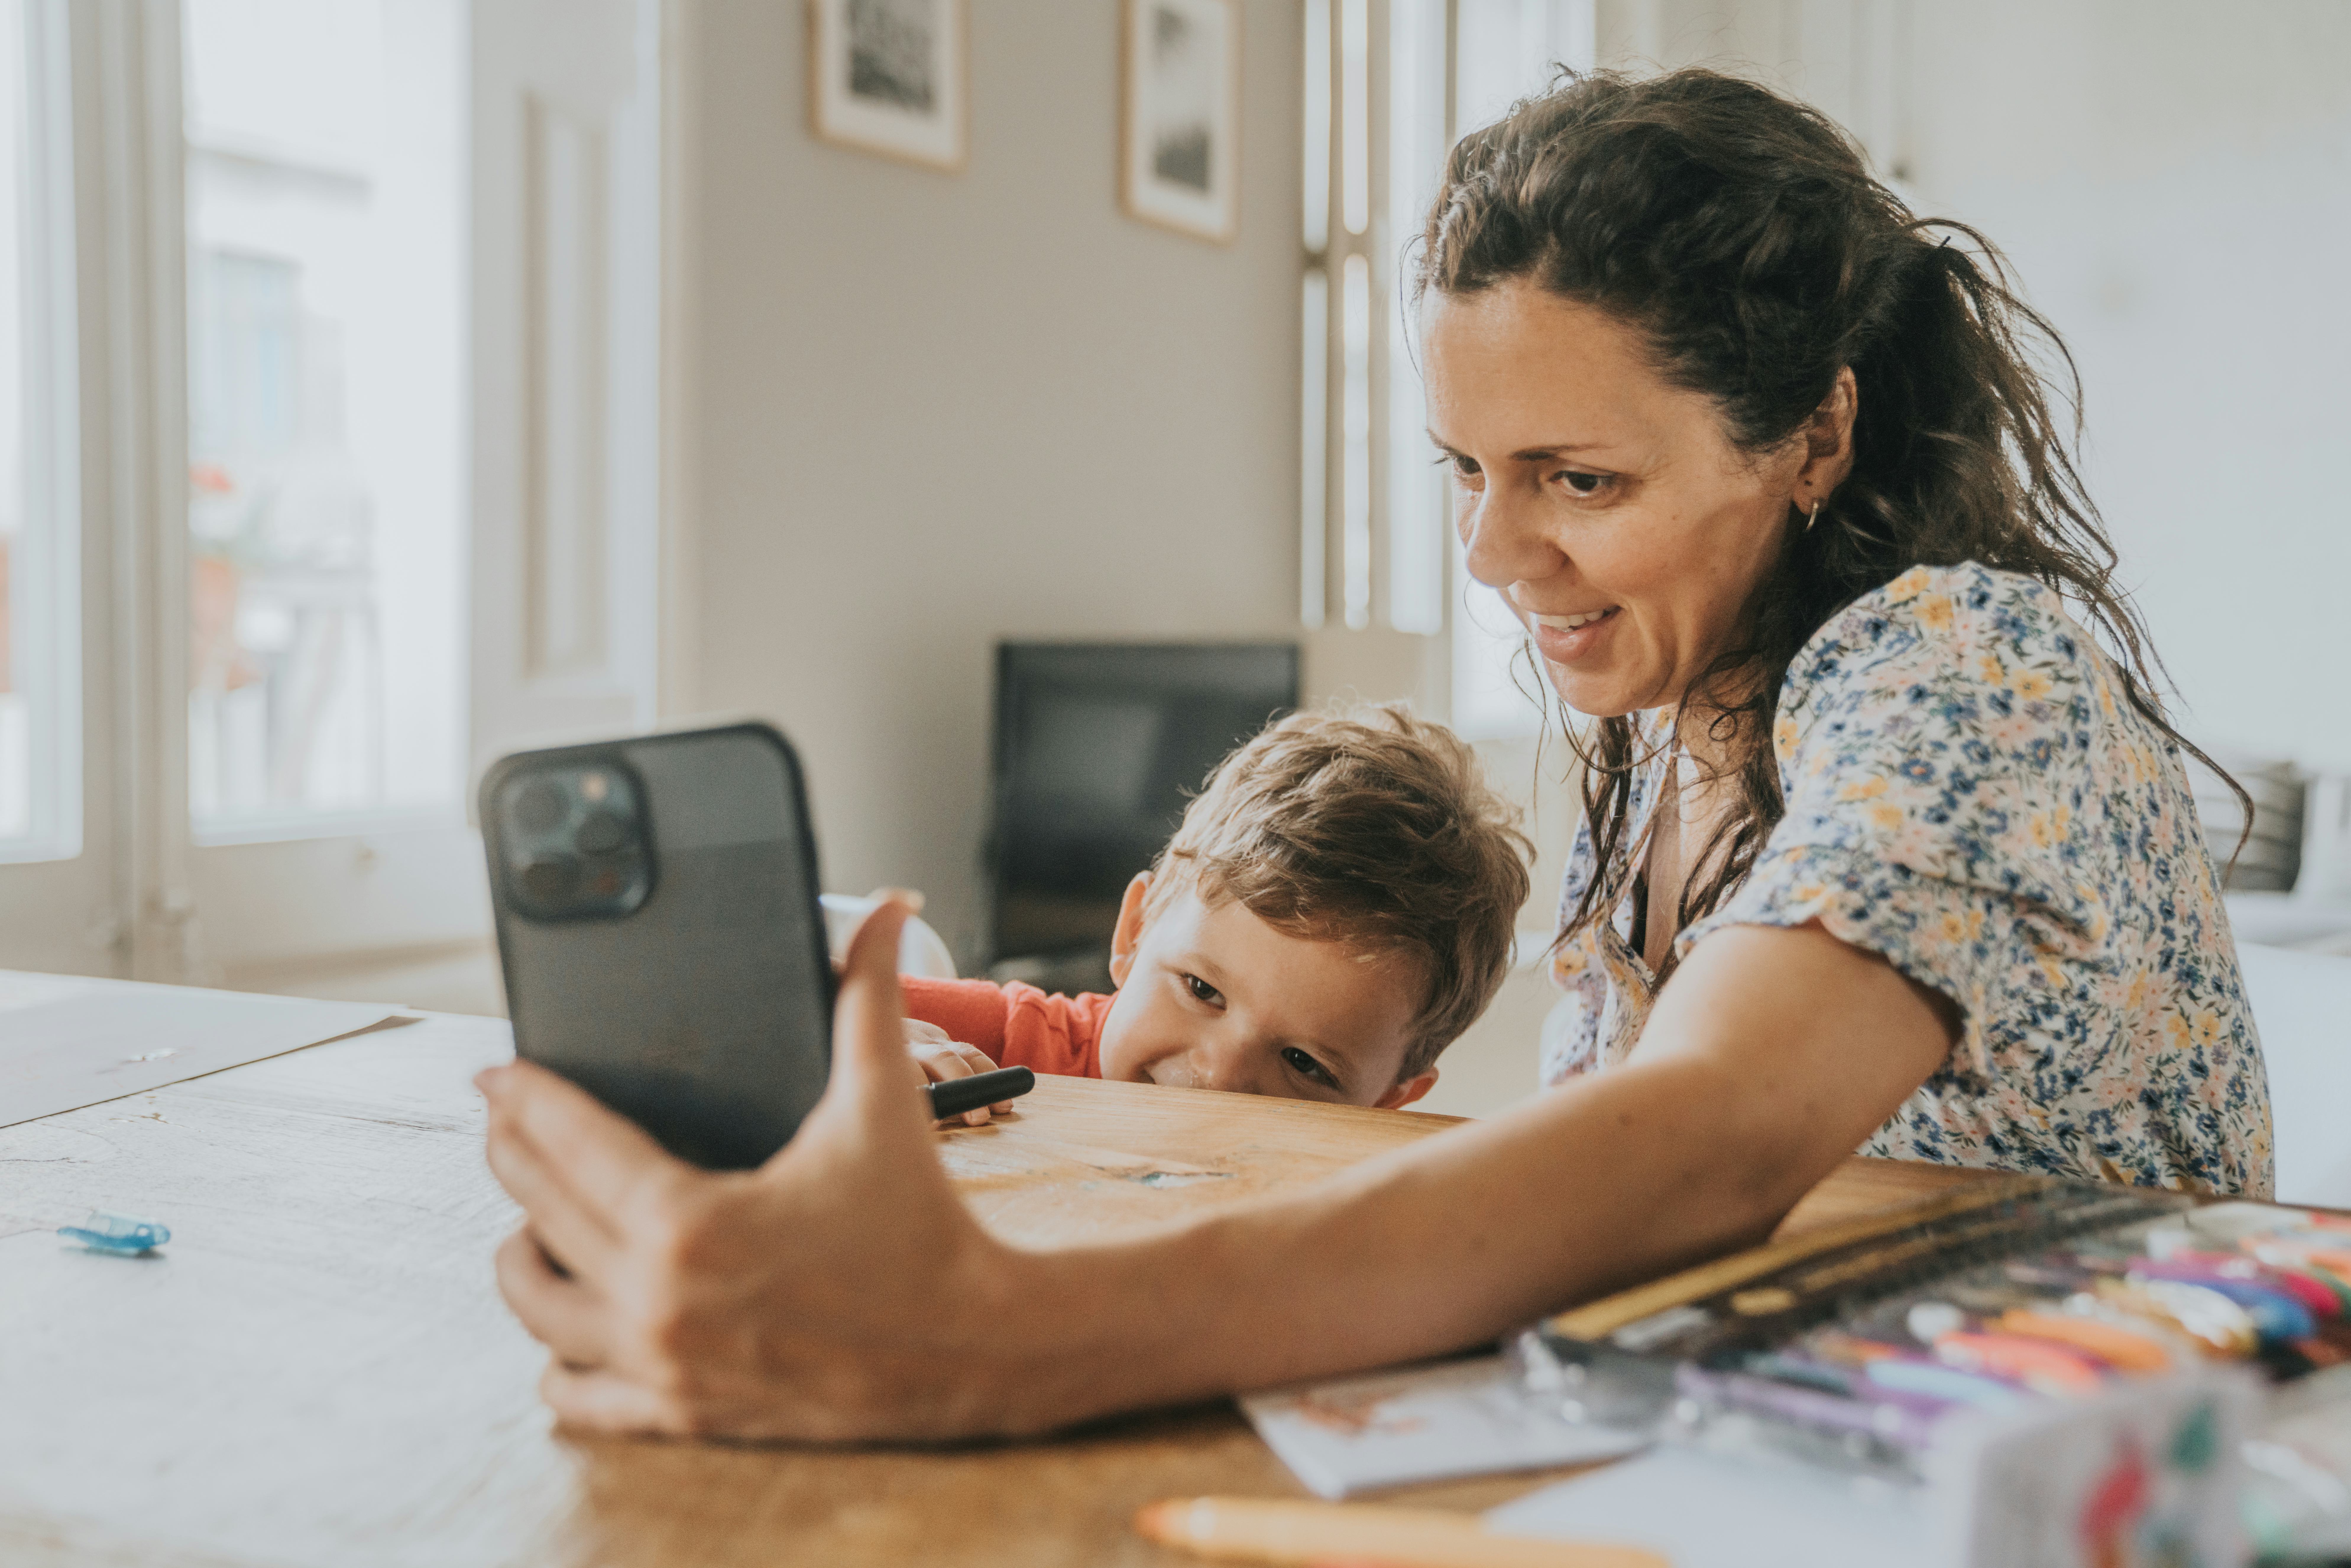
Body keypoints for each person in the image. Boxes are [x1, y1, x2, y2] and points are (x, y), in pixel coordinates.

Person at [475, 68, 2273, 1441]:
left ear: (1812, 433)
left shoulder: (1961, 667)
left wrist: (978, 1337)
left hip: (2089, 1481)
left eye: (1579, 479)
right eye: (1464, 472)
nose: (1493, 555)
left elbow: (1702, 1139)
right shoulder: (1663, 735)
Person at [901, 706, 1532, 1120]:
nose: (1220, 1078)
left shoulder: (1352, 1205)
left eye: (1305, 1064)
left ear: (1390, 1101)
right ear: (1133, 931)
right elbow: (808, 998)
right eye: (1202, 990)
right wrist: (858, 1044)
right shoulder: (1005, 1043)